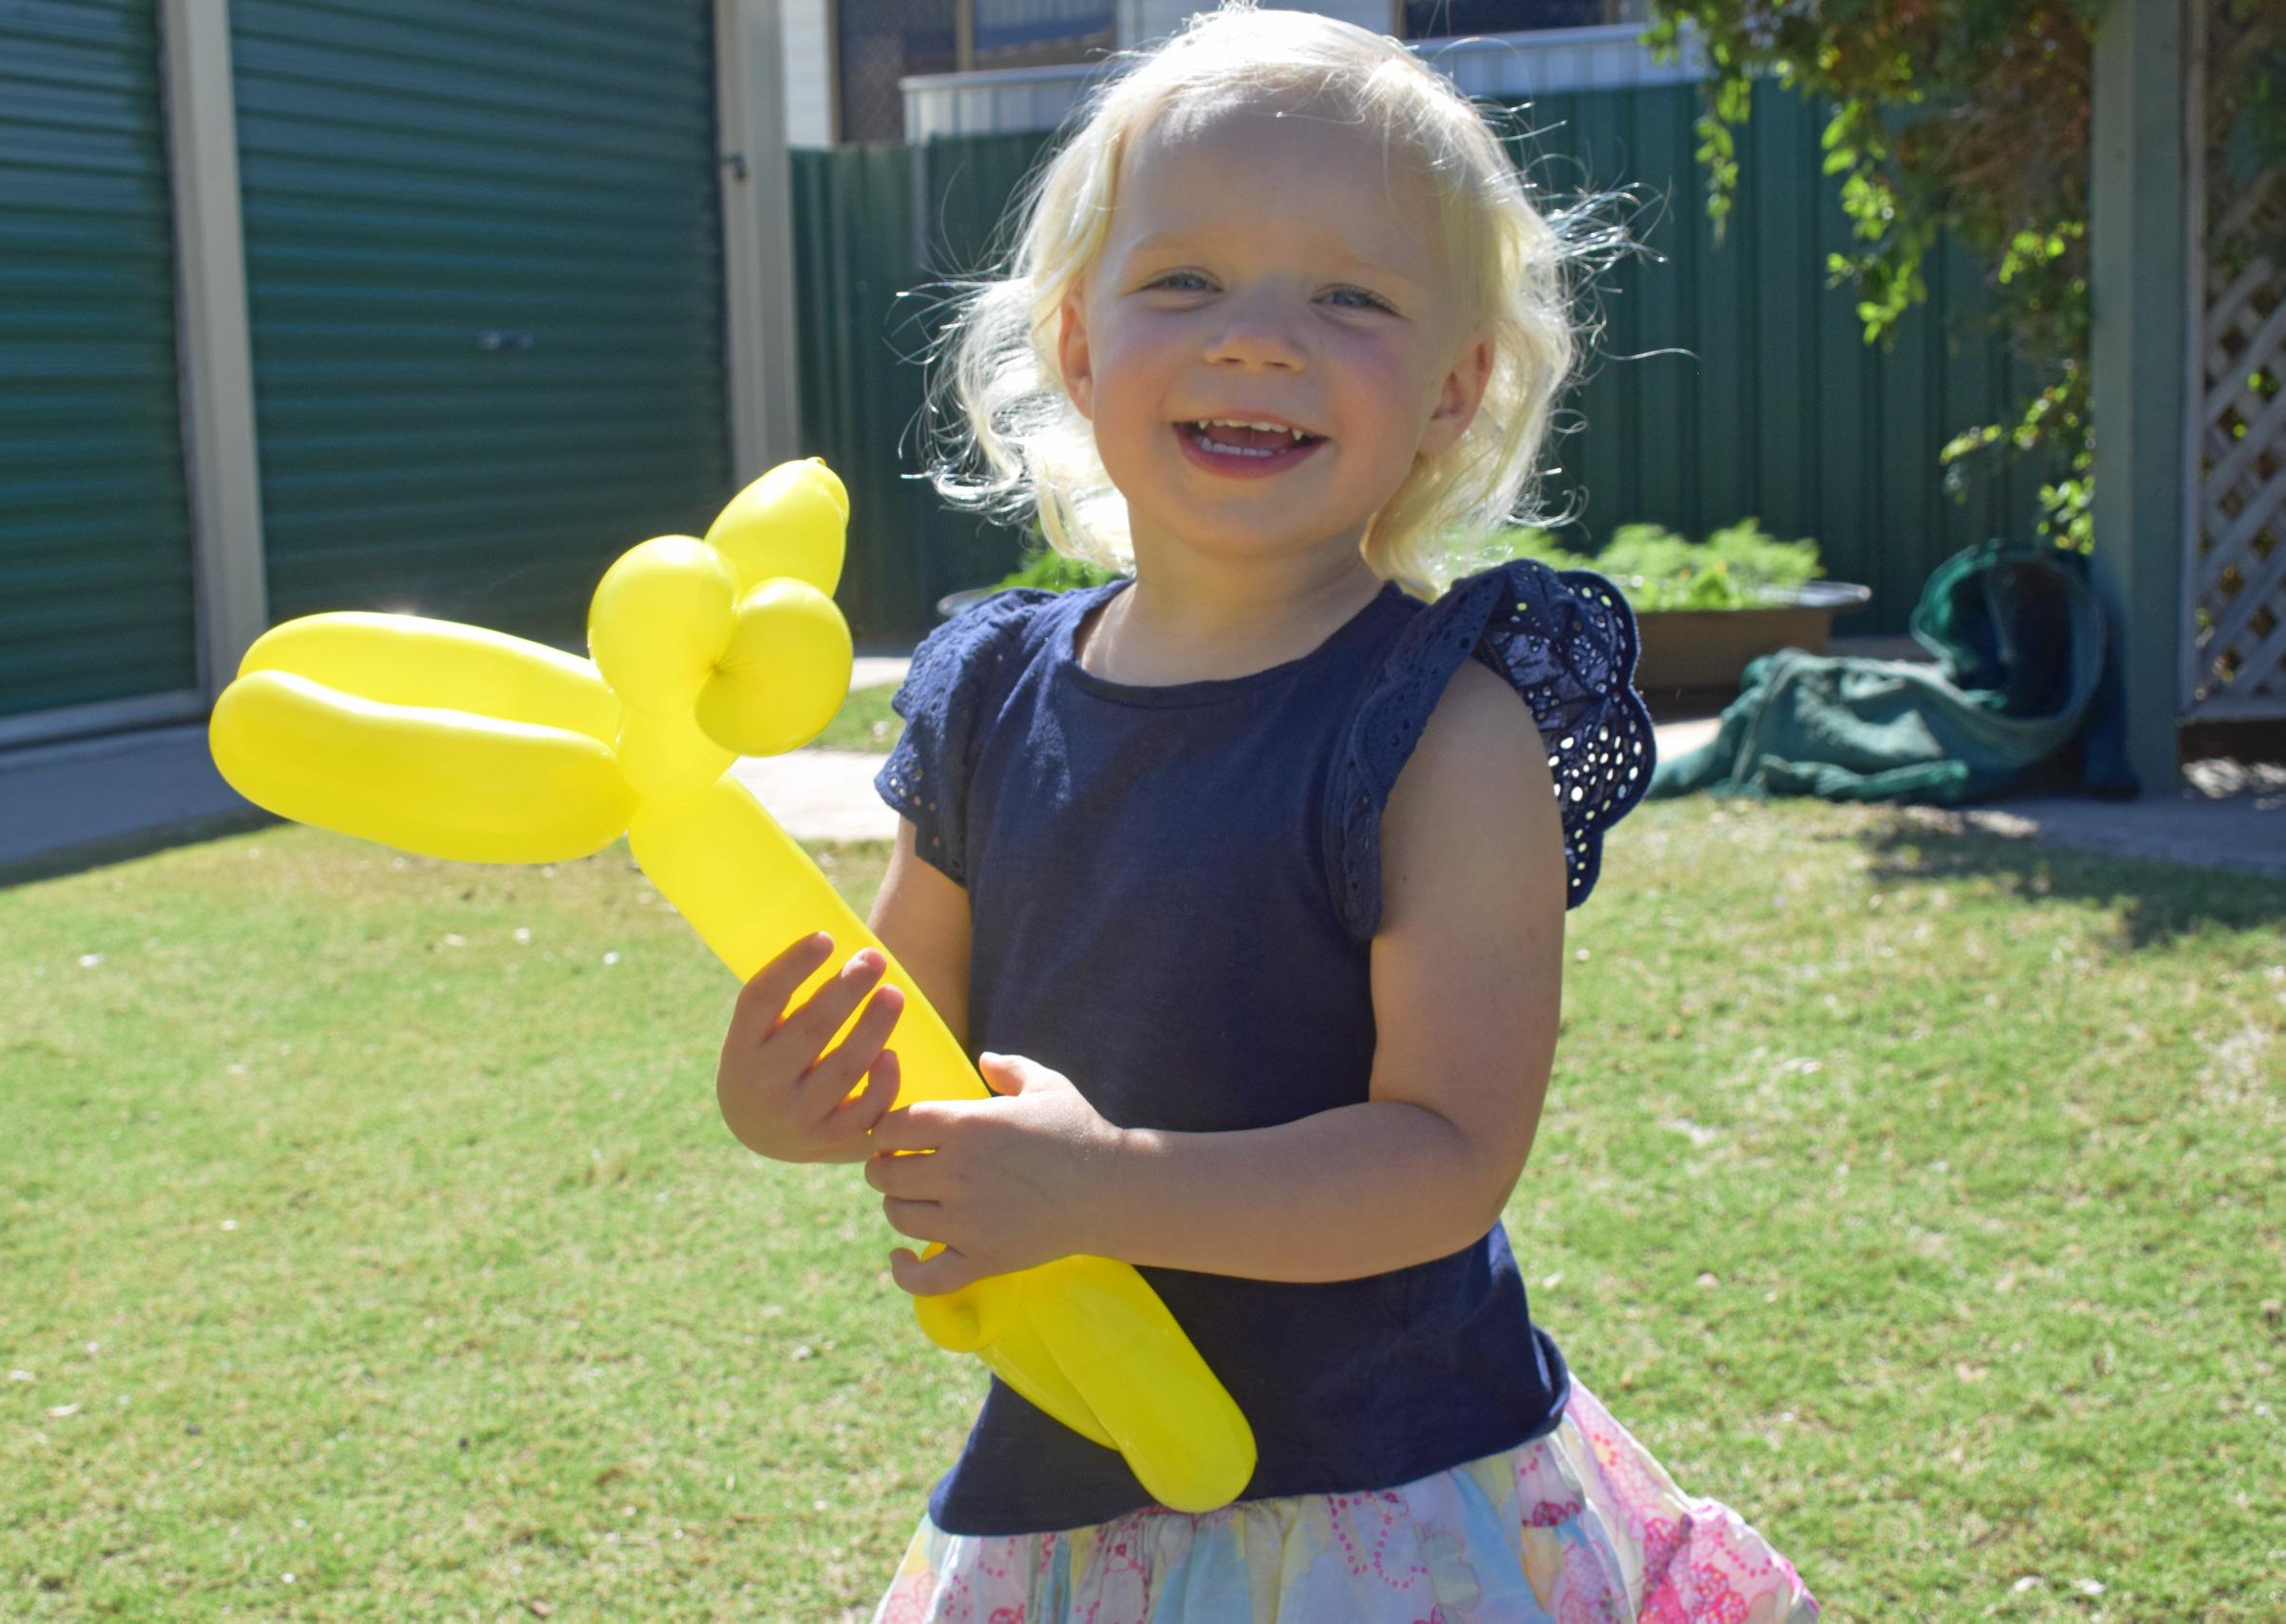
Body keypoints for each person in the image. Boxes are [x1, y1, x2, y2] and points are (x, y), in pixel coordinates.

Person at [715, 5, 1822, 1617]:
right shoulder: (983, 698)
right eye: (1185, 280)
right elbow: (901, 1049)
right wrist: (782, 1091)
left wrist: (1102, 1181)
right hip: (1073, 1472)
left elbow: (1446, 1153)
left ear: (1454, 388)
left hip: (1382, 1485)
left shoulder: (1446, 722)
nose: (1257, 338)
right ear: (1080, 345)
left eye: (1348, 297)